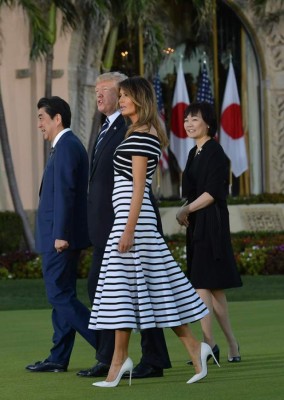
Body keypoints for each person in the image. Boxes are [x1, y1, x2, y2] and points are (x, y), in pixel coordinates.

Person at [88, 76, 218, 388]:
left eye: (126, 96)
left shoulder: (143, 135)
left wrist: (129, 229)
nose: (121, 101)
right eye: (120, 96)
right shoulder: (136, 132)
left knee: (128, 292)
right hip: (130, 220)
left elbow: (137, 189)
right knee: (150, 292)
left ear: (140, 100)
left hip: (135, 222)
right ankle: (190, 348)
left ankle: (120, 362)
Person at [77, 72, 171, 379]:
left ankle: (145, 359)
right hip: (109, 223)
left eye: (106, 91)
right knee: (108, 290)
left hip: (126, 223)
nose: (100, 96)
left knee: (141, 292)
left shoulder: (131, 128)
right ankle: (112, 358)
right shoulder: (107, 127)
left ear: (125, 93)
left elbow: (138, 185)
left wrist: (128, 228)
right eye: (97, 91)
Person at [26, 96, 97, 372]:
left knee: (59, 296)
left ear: (58, 119)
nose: (39, 124)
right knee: (63, 295)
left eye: (42, 118)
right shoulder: (64, 146)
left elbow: (66, 194)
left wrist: (60, 234)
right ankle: (58, 357)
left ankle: (106, 344)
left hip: (60, 239)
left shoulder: (67, 146)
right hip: (59, 236)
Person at [176, 102, 242, 364]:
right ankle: (232, 344)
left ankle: (208, 344)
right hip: (197, 224)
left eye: (195, 119)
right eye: (186, 120)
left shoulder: (215, 152)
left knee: (201, 284)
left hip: (212, 225)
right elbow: (192, 192)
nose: (189, 124)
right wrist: (187, 210)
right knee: (214, 291)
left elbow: (214, 192)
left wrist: (186, 209)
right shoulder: (194, 153)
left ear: (209, 123)